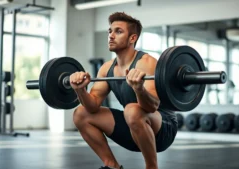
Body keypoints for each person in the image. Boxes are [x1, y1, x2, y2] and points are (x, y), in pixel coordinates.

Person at [70, 12, 177, 169]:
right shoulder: (107, 68)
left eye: (118, 31)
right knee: (80, 113)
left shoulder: (146, 63)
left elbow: (152, 107)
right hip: (133, 126)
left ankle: (152, 167)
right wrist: (80, 90)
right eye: (110, 31)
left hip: (162, 129)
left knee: (131, 110)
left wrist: (139, 89)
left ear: (132, 38)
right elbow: (92, 106)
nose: (111, 36)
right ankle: (111, 165)